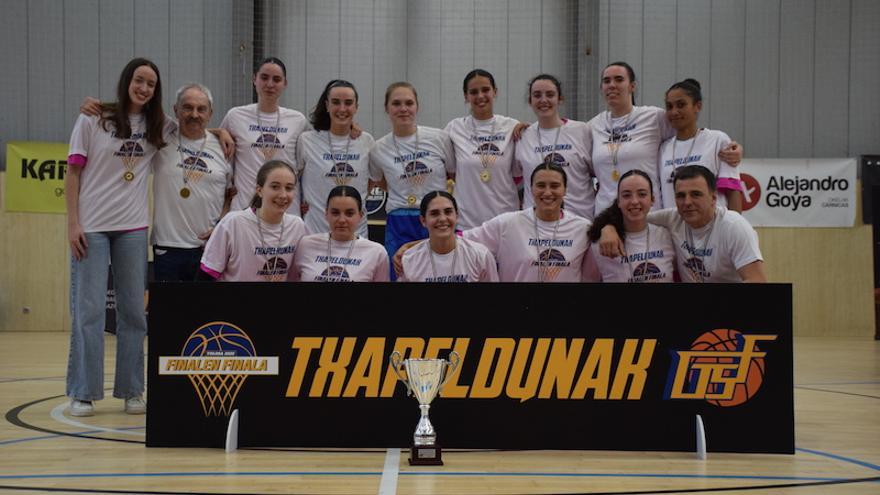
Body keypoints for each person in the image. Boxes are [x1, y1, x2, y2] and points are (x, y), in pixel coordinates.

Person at [65, 58, 171, 417]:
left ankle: (132, 390)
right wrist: (72, 224)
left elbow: (194, 129)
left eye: (151, 84)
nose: (144, 88)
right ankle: (83, 391)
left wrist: (220, 134)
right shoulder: (94, 118)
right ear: (127, 81)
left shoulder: (158, 126)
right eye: (139, 80)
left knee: (133, 314)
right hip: (91, 227)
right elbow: (73, 173)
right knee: (90, 311)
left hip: (132, 228)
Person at [588, 62, 742, 215]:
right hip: (606, 216)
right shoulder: (593, 126)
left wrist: (733, 147)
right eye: (606, 81)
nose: (612, 85)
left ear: (632, 86)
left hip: (648, 215)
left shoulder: (654, 117)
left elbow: (688, 130)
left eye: (619, 79)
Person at [599, 165, 765, 283]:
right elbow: (634, 216)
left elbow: (757, 280)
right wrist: (608, 228)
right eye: (680, 196)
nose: (687, 202)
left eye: (696, 194)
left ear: (713, 198)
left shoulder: (734, 226)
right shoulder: (673, 218)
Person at [369, 82, 456, 279]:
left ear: (417, 106)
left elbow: (453, 174)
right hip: (398, 221)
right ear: (387, 108)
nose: (403, 109)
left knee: (440, 273)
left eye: (409, 103)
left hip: (436, 217)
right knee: (400, 273)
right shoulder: (378, 149)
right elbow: (381, 184)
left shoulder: (439, 138)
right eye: (396, 103)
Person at [152, 83, 233, 281]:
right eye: (187, 107)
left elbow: (230, 195)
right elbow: (135, 112)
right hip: (167, 246)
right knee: (169, 311)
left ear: (210, 113)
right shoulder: (162, 137)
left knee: (205, 312)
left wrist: (221, 225)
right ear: (176, 110)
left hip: (208, 248)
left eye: (201, 109)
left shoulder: (225, 147)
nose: (194, 114)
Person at [459, 163, 592, 282]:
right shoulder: (507, 223)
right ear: (531, 188)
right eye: (540, 185)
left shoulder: (583, 228)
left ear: (565, 190)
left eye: (555, 186)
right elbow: (462, 239)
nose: (547, 192)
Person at [221, 57, 308, 214]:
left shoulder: (298, 120)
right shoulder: (235, 116)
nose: (270, 84)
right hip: (244, 208)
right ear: (254, 79)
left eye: (276, 79)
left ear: (285, 83)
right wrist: (218, 131)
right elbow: (214, 146)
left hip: (286, 211)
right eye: (264, 77)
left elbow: (306, 164)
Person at [200, 160, 306, 281]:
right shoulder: (233, 222)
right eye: (275, 187)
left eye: (289, 188)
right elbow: (207, 274)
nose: (283, 195)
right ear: (259, 190)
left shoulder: (297, 226)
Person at [444, 69, 523, 229]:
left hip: (505, 219)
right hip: (467, 222)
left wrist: (530, 130)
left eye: (485, 90)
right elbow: (450, 171)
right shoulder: (454, 128)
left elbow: (519, 172)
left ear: (495, 91)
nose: (480, 96)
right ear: (466, 96)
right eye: (473, 92)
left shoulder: (512, 126)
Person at [297, 80, 374, 237]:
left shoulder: (366, 141)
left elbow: (373, 180)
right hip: (316, 233)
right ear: (327, 106)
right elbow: (294, 178)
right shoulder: (307, 140)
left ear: (356, 107)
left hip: (356, 235)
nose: (342, 109)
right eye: (336, 102)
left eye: (348, 103)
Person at [515, 74, 595, 220]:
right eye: (537, 95)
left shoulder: (582, 131)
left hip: (579, 221)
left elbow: (600, 174)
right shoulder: (523, 136)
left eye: (550, 94)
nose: (543, 100)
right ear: (530, 101)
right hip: (536, 224)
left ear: (560, 99)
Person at [660, 78, 743, 211]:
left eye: (681, 105)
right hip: (675, 229)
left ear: (697, 106)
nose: (674, 112)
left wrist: (735, 228)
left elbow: (732, 191)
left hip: (713, 229)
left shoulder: (717, 140)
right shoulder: (663, 148)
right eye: (669, 106)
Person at [585, 170, 675, 282]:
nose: (634, 201)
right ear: (618, 202)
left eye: (642, 194)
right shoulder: (600, 242)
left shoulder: (666, 236)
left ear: (652, 200)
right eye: (626, 195)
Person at [292, 186, 389, 282]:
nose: (342, 220)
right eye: (335, 213)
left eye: (349, 213)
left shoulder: (377, 253)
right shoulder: (306, 244)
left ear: (360, 216)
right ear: (326, 214)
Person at [399, 191, 499, 282]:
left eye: (448, 212)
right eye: (434, 213)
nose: (442, 218)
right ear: (423, 220)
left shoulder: (480, 255)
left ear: (457, 216)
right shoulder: (410, 259)